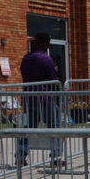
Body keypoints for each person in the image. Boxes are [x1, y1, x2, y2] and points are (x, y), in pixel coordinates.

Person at [19, 32, 63, 167]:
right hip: (46, 100)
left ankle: (20, 157)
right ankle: (56, 157)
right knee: (54, 129)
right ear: (44, 45)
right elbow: (53, 80)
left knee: (27, 129)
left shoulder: (26, 58)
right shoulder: (46, 60)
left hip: (29, 100)